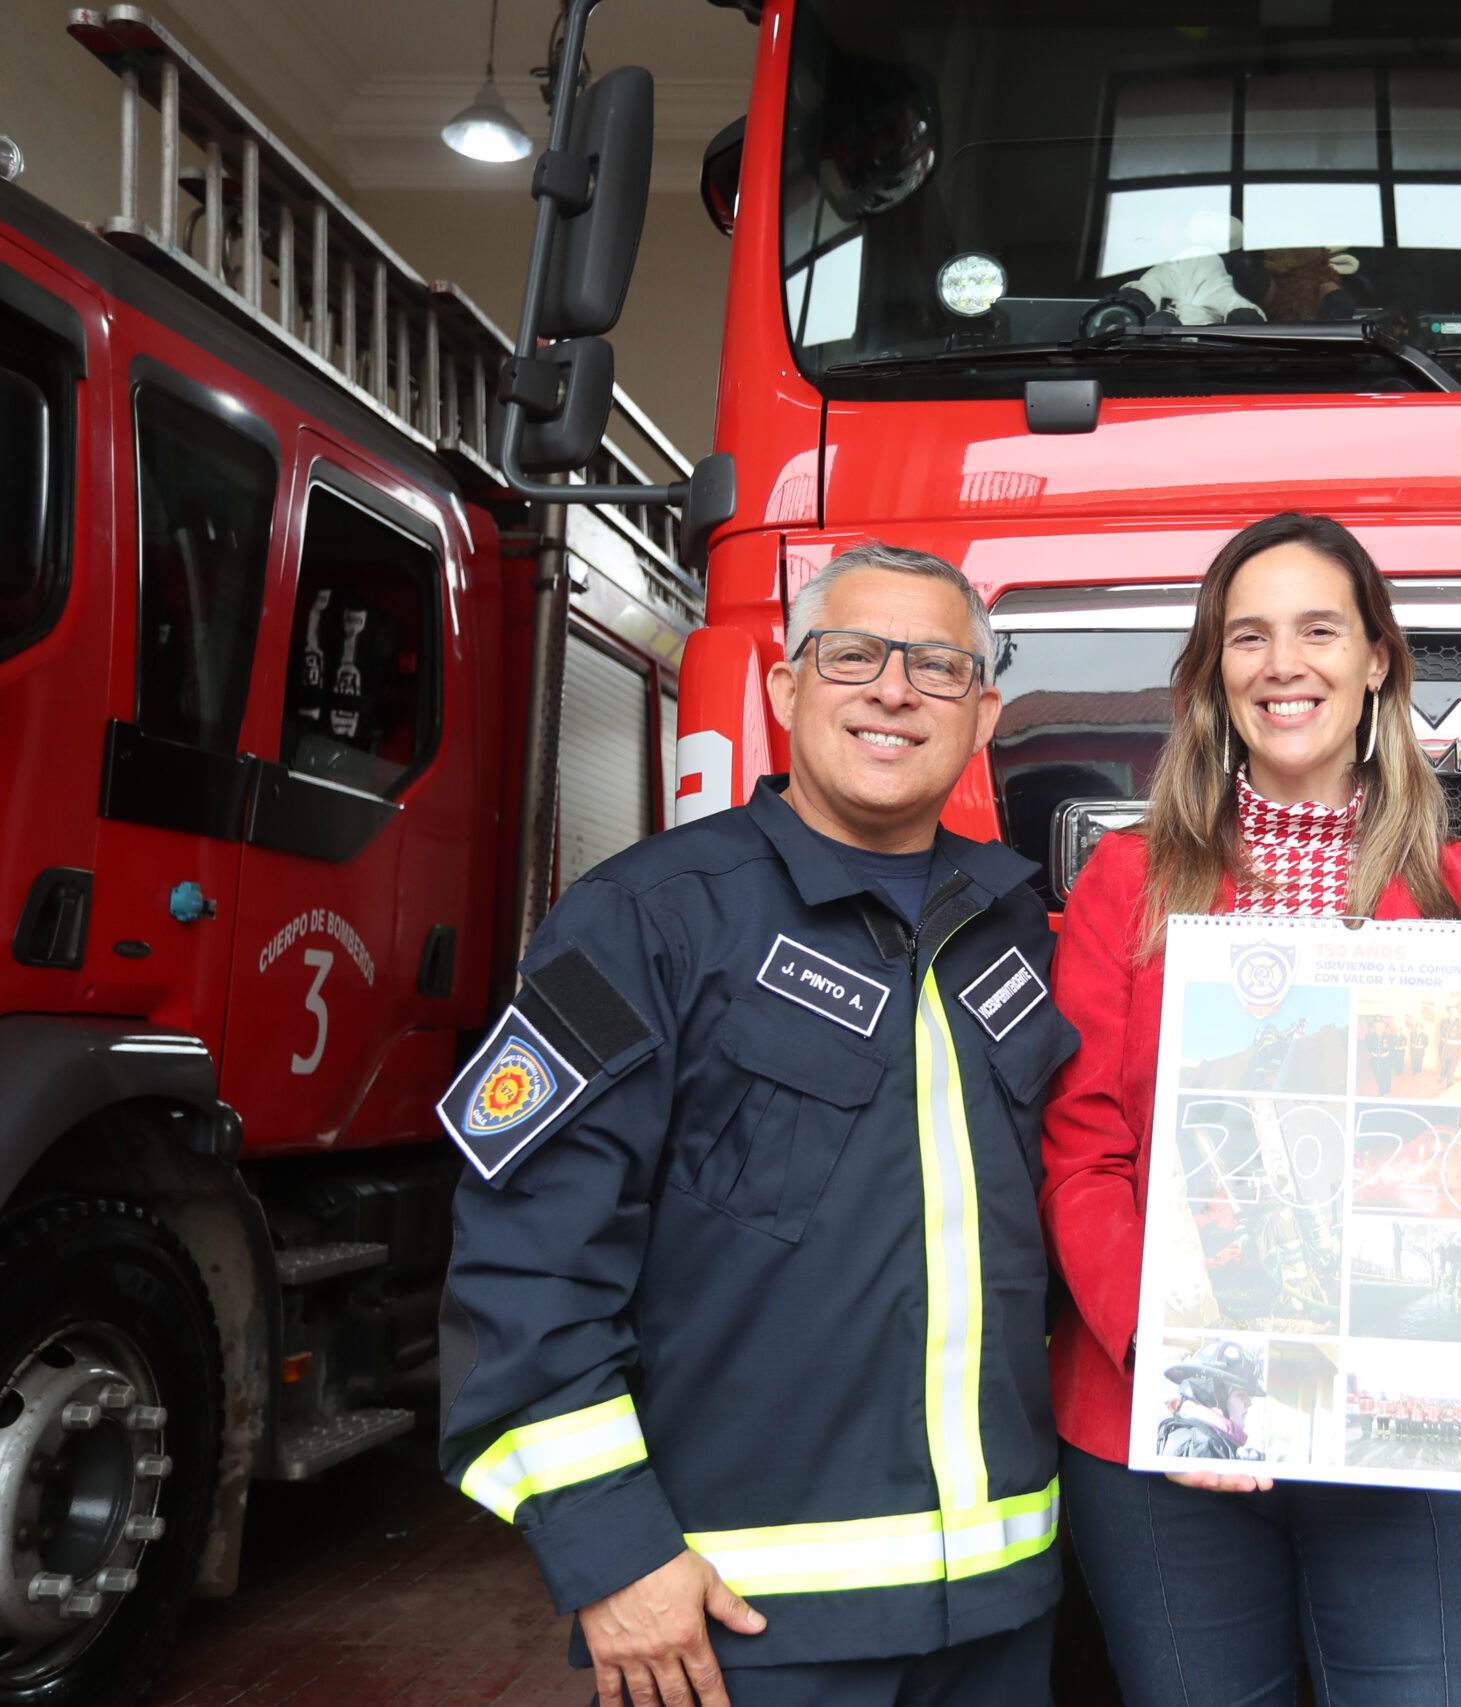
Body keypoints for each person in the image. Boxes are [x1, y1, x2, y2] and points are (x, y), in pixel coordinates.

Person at [437, 545, 1075, 1707]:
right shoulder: (635, 920)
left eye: (937, 666)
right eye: (853, 655)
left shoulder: (1019, 932)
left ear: (982, 715)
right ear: (787, 689)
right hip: (743, 1631)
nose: (893, 690)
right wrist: (613, 1551)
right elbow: (524, 1266)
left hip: (1003, 1618)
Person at [1039, 512, 1461, 1707]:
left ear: (1377, 659)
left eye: (1317, 631)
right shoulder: (1124, 881)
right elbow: (1083, 1147)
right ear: (1214, 671)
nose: (1282, 664)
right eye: (1248, 637)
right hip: (1169, 1424)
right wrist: (1187, 1364)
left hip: (1410, 1431)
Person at [1436, 1003, 1461, 1087]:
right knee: (1443, 1063)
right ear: (1448, 1012)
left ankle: (1449, 1079)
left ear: (1458, 1013)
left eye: (1454, 1011)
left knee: (1452, 1065)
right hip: (1443, 1047)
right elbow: (1441, 1032)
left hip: (1455, 1049)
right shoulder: (1444, 1021)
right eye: (1450, 1011)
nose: (1452, 1013)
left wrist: (1456, 1043)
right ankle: (1443, 1075)